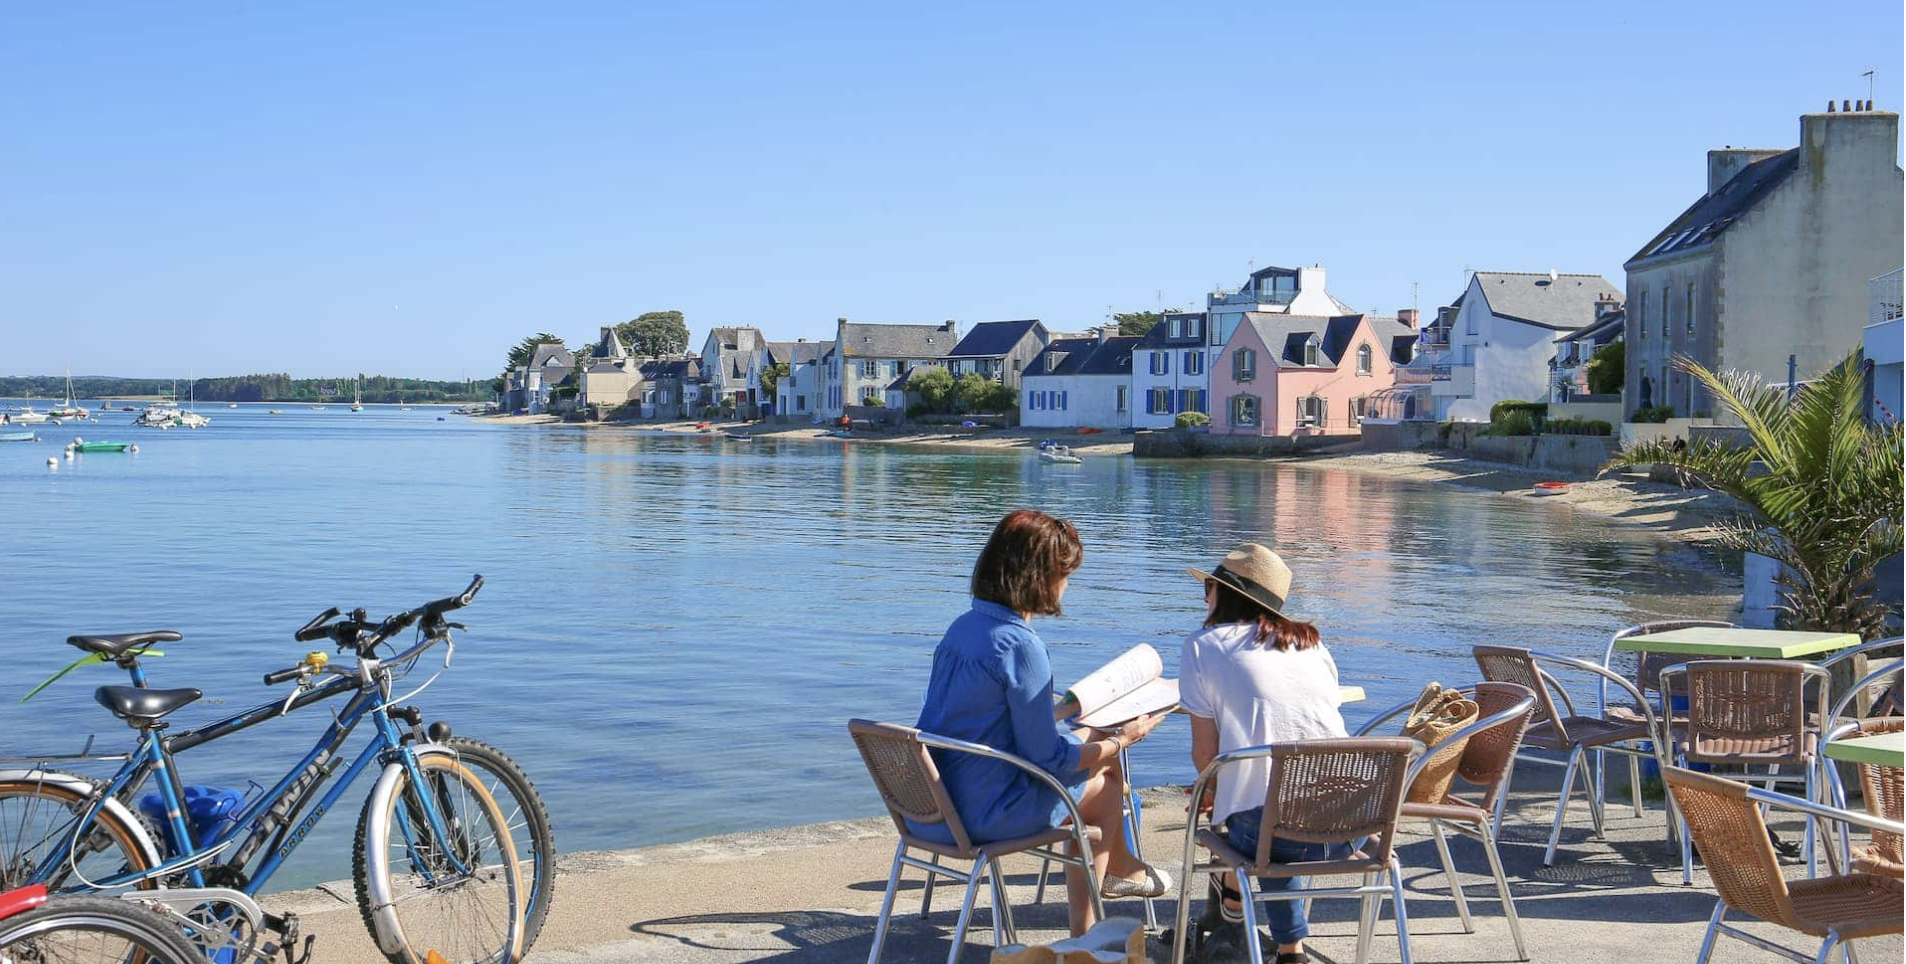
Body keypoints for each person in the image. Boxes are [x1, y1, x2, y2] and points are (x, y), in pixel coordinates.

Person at [914, 508, 1173, 936]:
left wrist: (1061, 712)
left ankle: (1120, 871)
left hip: (938, 804)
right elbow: (1047, 758)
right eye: (1065, 574)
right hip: (985, 812)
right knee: (1108, 785)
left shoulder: (963, 628)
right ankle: (1087, 928)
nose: (1067, 585)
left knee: (1097, 749)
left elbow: (974, 718)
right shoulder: (1021, 645)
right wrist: (1124, 739)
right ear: (1041, 577)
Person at [1179, 543, 1347, 964]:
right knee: (1273, 808)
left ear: (1225, 594)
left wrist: (1217, 789)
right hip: (1351, 824)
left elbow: (1205, 755)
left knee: (1253, 818)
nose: (1204, 599)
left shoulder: (1203, 646)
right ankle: (1289, 950)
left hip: (1276, 834)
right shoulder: (1313, 645)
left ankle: (1234, 911)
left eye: (1210, 589)